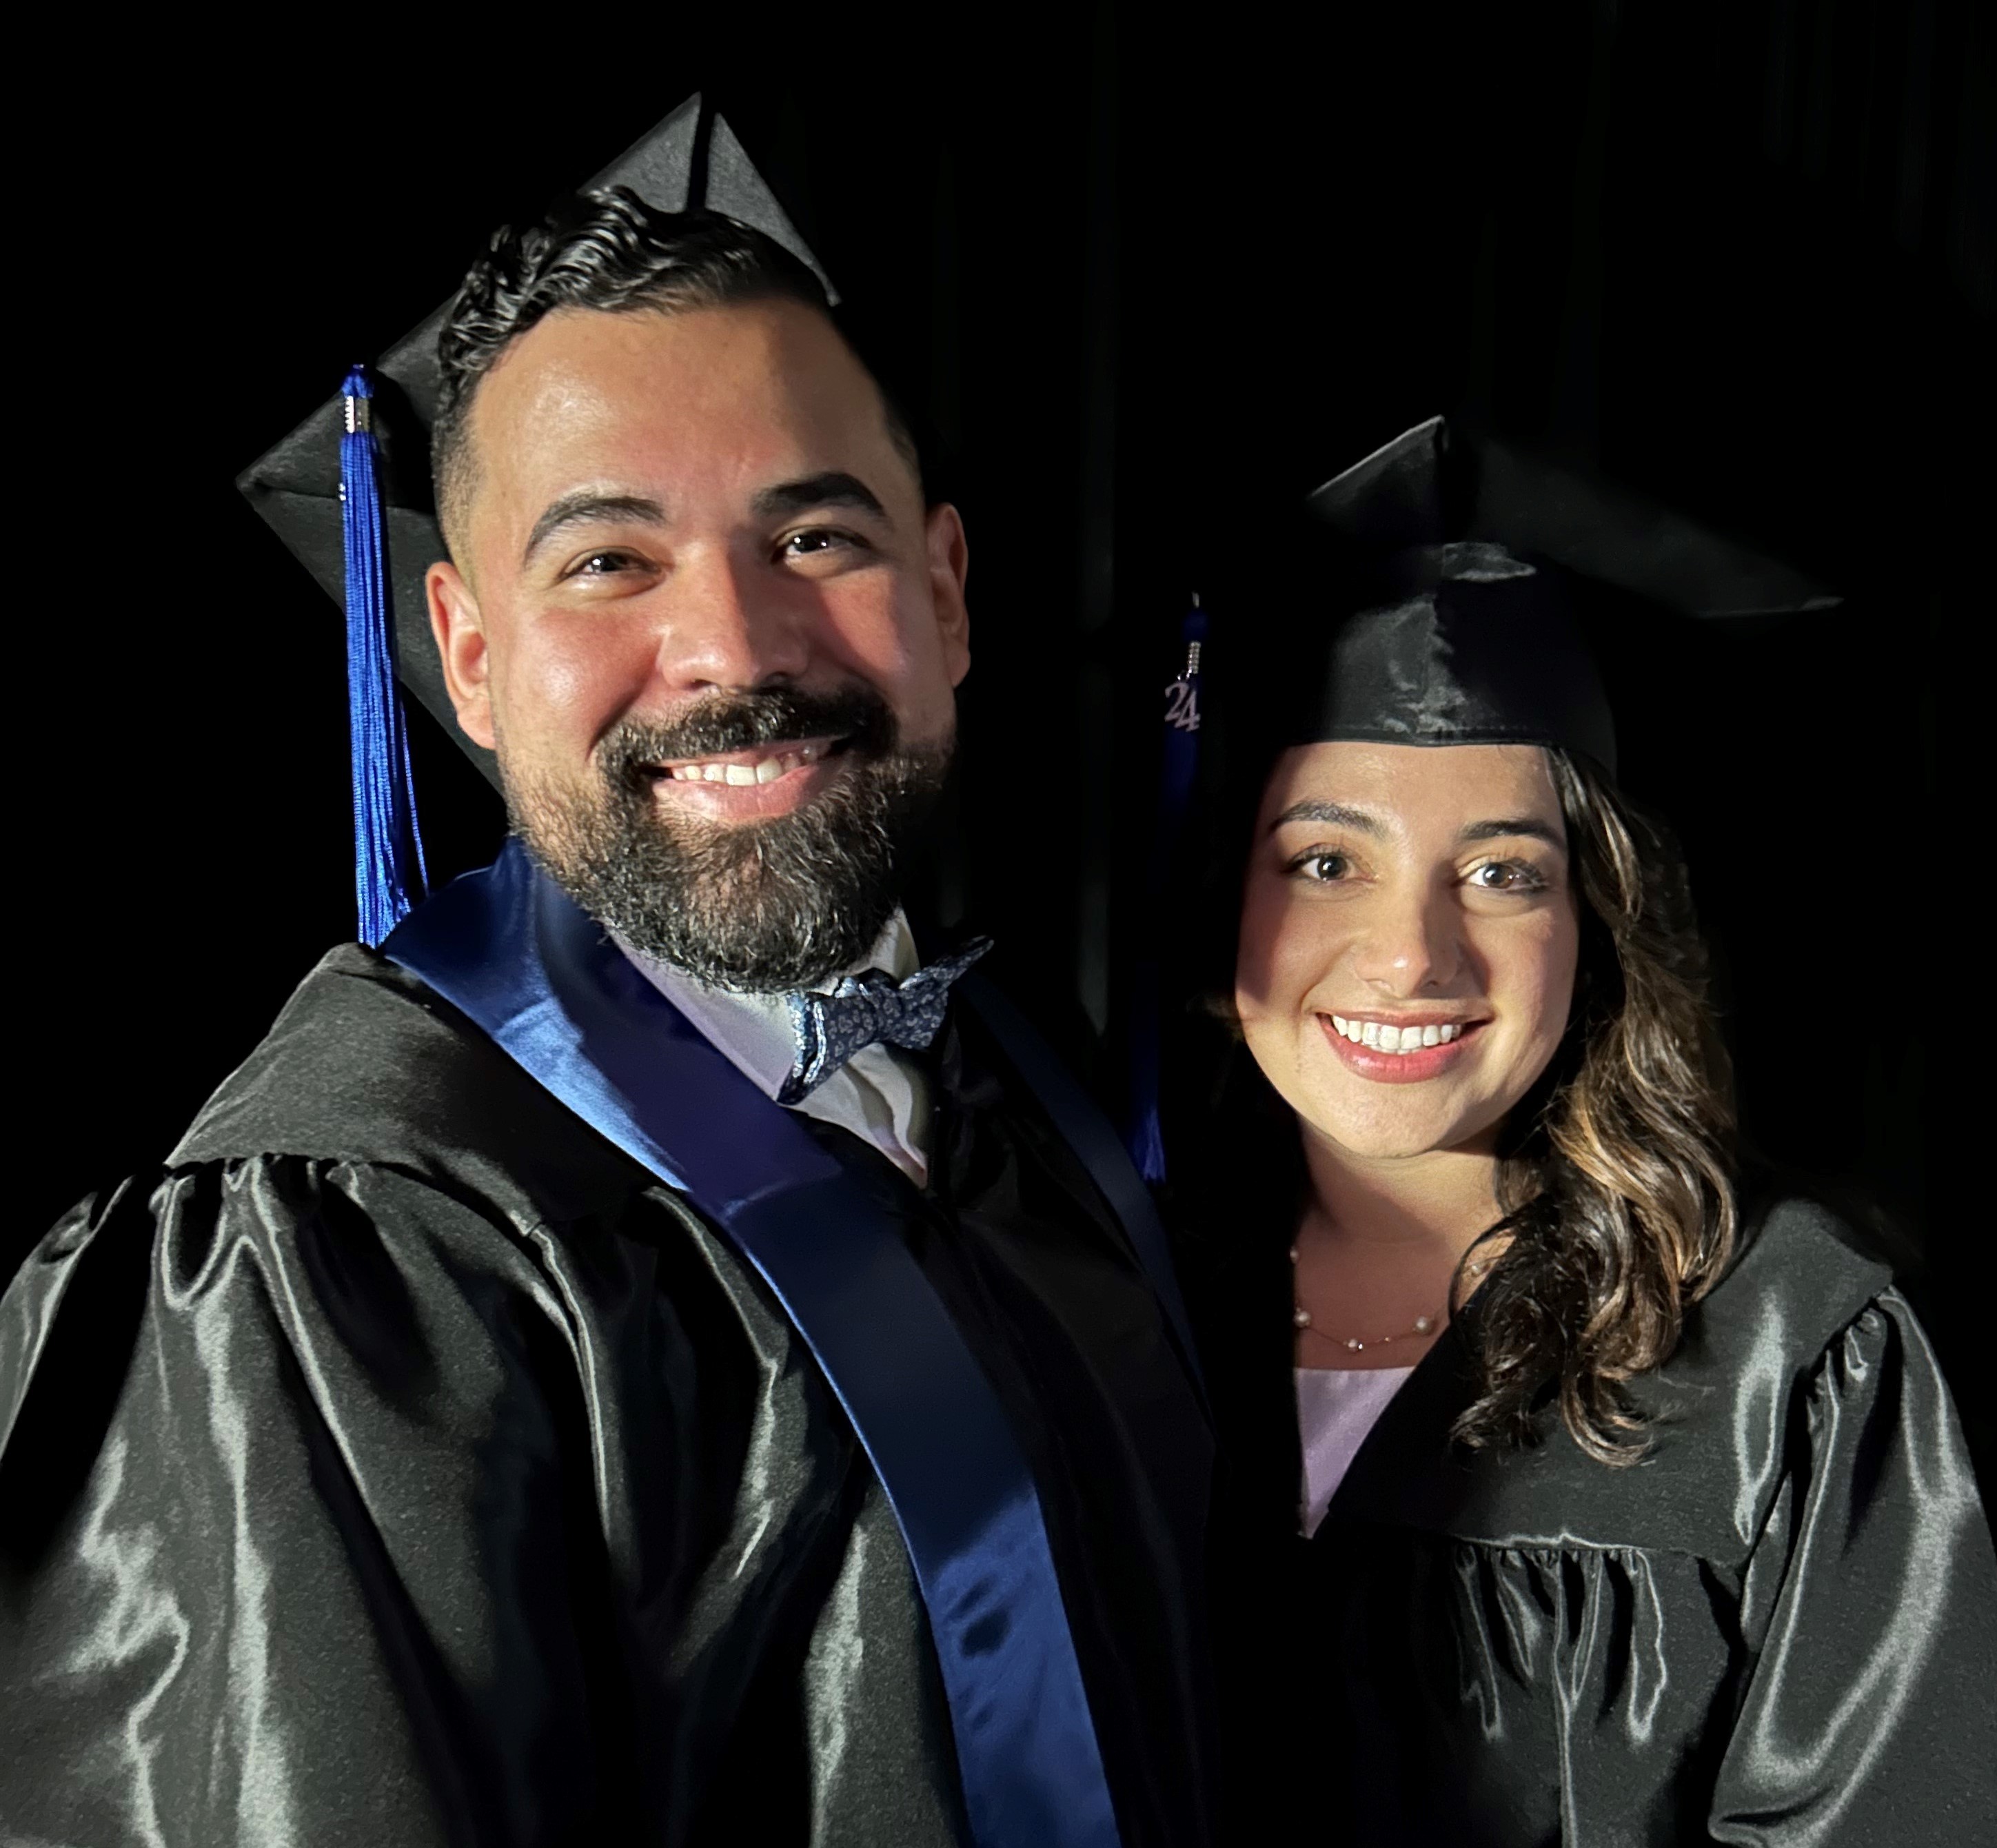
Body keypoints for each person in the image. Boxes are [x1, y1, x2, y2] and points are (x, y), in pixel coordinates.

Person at [0, 102, 1213, 1848]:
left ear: (946, 594)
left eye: (815, 538)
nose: (732, 646)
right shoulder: (356, 1247)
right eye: (608, 563)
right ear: (470, 659)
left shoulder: (1027, 1083)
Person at [1170, 416, 1997, 1845]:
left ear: (1597, 920)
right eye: (1327, 861)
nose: (1412, 957)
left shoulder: (1783, 1350)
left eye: (1505, 872)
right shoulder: (1098, 1301)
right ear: (1227, 901)